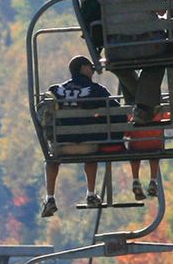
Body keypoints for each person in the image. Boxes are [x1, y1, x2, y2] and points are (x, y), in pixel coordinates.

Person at [82, 0, 167, 124]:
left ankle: (141, 104)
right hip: (151, 44)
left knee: (117, 65)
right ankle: (144, 105)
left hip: (116, 47)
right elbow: (162, 9)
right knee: (157, 63)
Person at [43, 56, 117, 218]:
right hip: (88, 146)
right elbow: (117, 112)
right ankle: (91, 194)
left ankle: (50, 198)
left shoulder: (55, 90)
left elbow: (43, 112)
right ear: (83, 68)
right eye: (90, 67)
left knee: (51, 158)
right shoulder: (96, 90)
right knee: (92, 153)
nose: (93, 70)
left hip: (61, 147)